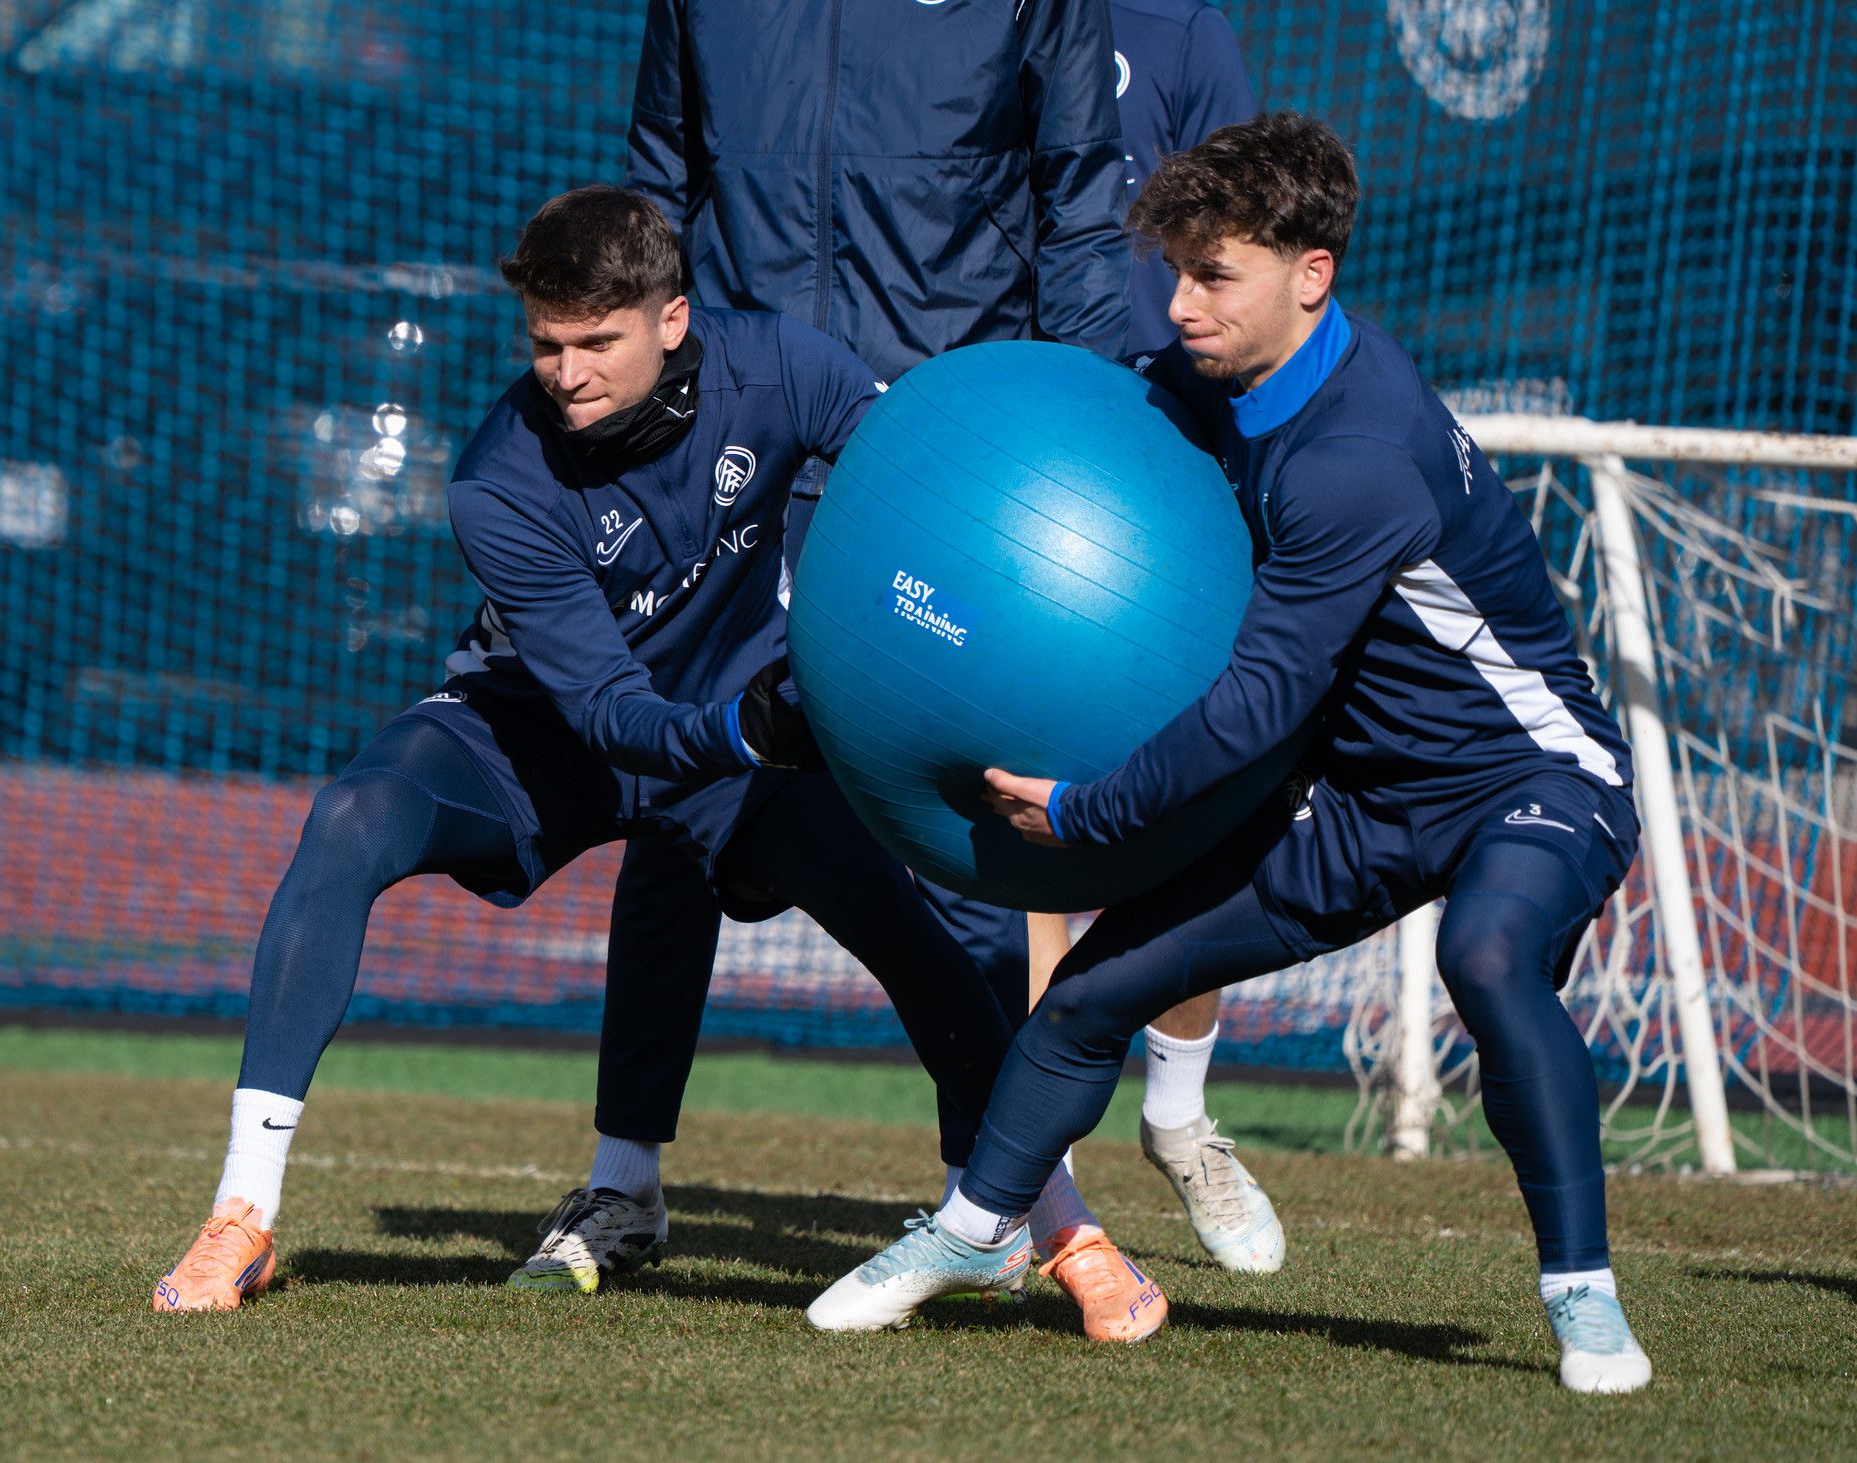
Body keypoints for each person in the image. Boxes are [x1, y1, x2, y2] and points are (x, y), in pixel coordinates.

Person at [809, 114, 1655, 1396]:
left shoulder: (1358, 458)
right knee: (1093, 991)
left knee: (1484, 954)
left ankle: (1581, 1297)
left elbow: (1258, 701)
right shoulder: (1215, 384)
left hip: (1526, 781)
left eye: (1214, 276)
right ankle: (970, 1231)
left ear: (1309, 275)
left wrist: (1088, 809)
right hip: (1362, 799)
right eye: (1175, 271)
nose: (1181, 303)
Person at [150, 185, 1099, 1312]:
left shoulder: (783, 364)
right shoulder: (496, 480)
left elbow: (914, 485)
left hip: (739, 743)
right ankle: (241, 1214)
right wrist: (746, 726)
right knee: (349, 817)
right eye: (546, 344)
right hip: (546, 734)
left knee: (914, 932)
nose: (567, 372)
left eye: (597, 339)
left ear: (672, 317)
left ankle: (1047, 1225)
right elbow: (608, 712)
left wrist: (947, 630)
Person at [538, 0, 1170, 1343]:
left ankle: (1007, 1203)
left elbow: (1074, 197)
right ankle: (624, 1179)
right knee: (681, 793)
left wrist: (1088, 420)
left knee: (966, 828)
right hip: (735, 445)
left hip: (935, 461)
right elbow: (658, 186)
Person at [1106, 0, 1284, 1277]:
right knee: (1010, 789)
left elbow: (1236, 220)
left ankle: (1175, 1114)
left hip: (1164, 435)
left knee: (1197, 788)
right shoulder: (933, 26)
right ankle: (1023, 1172)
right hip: (1010, 417)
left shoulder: (1172, 24)